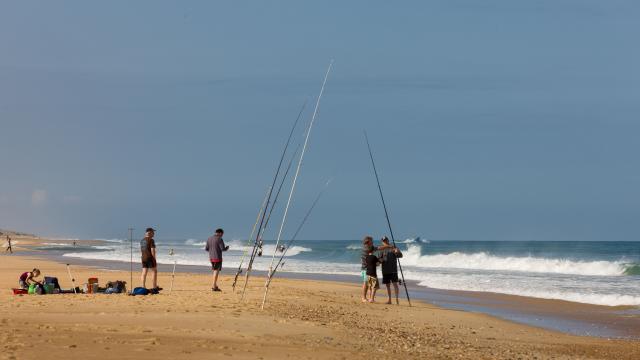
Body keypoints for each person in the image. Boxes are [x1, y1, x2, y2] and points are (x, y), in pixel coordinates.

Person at [379, 236, 403, 304]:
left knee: (395, 284)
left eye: (386, 240)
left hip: (393, 270)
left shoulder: (393, 247)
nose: (385, 242)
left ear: (388, 240)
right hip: (385, 270)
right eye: (384, 241)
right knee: (387, 285)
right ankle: (389, 300)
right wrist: (380, 260)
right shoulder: (381, 249)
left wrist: (397, 251)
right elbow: (379, 259)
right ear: (382, 242)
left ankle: (397, 299)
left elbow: (400, 256)